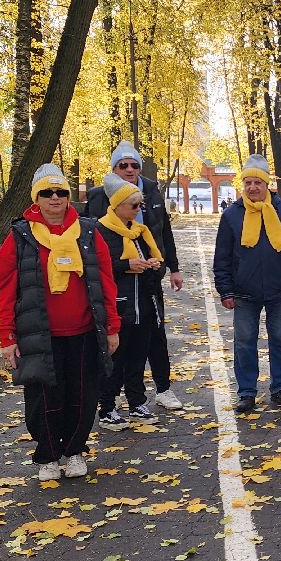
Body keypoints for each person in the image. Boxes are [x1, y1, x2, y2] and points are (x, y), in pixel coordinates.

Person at [0, 164, 120, 482]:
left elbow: (106, 281)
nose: (55, 198)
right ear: (37, 198)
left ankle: (74, 451)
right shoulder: (19, 236)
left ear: (68, 197)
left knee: (82, 395)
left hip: (84, 333)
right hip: (39, 334)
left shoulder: (89, 232)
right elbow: (5, 287)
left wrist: (112, 327)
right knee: (43, 399)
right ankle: (47, 456)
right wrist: (7, 335)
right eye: (47, 193)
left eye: (61, 192)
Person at [85, 141, 184, 412]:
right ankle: (109, 398)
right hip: (116, 289)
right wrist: (124, 264)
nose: (129, 169)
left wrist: (168, 266)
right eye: (123, 165)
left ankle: (157, 391)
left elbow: (164, 231)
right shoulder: (98, 202)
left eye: (134, 165)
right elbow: (93, 247)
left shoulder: (151, 192)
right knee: (118, 343)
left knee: (151, 336)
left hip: (148, 282)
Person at [212, 155, 281, 414]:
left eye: (258, 182)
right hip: (244, 292)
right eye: (248, 183)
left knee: (280, 339)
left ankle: (279, 388)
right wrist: (225, 290)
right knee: (244, 342)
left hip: (279, 290)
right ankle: (246, 392)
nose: (253, 187)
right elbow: (222, 256)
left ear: (267, 185)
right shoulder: (232, 215)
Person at [96, 173, 165, 427]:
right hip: (118, 306)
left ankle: (137, 403)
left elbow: (159, 266)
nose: (138, 211)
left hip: (145, 305)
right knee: (115, 360)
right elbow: (97, 268)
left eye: (140, 205)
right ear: (118, 206)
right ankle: (107, 408)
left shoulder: (140, 232)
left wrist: (155, 265)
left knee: (138, 357)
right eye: (133, 205)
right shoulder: (101, 230)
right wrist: (126, 265)